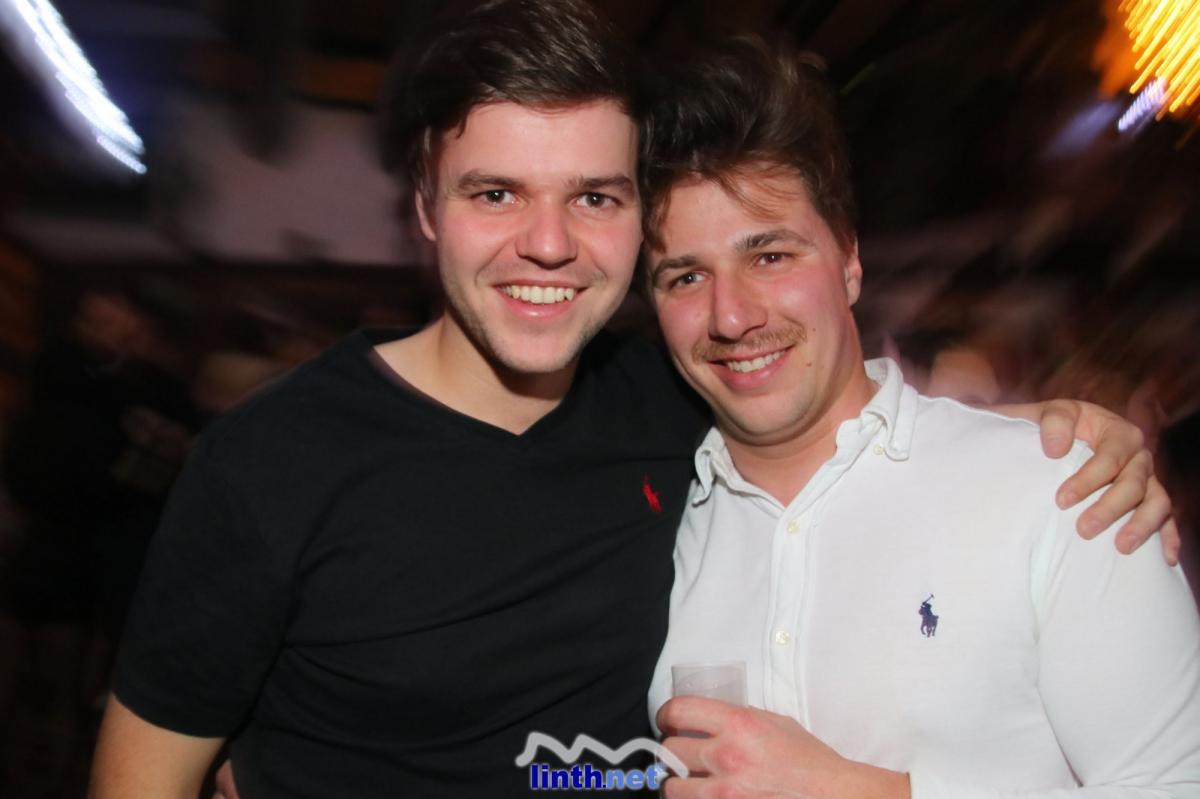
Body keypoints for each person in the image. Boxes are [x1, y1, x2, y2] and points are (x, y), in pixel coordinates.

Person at [89, 3, 1175, 797]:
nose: (547, 243)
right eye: (496, 192)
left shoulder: (671, 410)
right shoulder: (269, 465)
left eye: (594, 198)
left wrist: (1025, 435)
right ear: (424, 206)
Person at [643, 37, 1200, 798]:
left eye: (770, 256)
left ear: (849, 261)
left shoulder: (1062, 492)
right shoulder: (653, 527)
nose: (731, 315)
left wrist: (862, 792)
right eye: (685, 276)